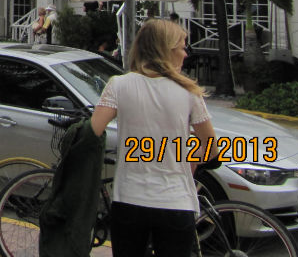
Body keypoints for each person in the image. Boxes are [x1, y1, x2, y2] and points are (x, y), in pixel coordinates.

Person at [89, 20, 215, 257]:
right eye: (182, 47)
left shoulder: (119, 85)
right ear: (165, 50)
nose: (185, 54)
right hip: (175, 202)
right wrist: (188, 159)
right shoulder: (188, 92)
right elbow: (210, 146)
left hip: (129, 200)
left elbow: (93, 130)